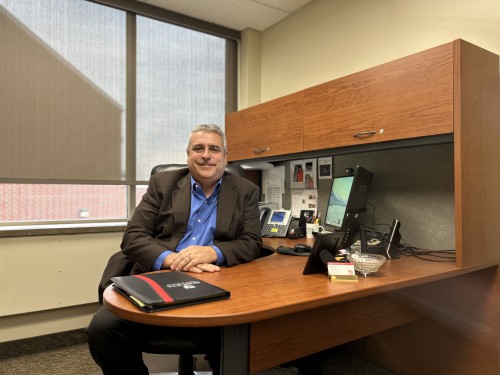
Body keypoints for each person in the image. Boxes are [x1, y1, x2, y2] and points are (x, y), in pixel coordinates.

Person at [87, 124, 263, 375]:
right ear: (188, 155)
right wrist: (171, 259)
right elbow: (133, 236)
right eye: (198, 148)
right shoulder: (163, 183)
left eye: (214, 149)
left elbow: (251, 241)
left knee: (241, 332)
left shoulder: (245, 191)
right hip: (161, 278)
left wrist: (212, 252)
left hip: (217, 280)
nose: (206, 155)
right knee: (103, 329)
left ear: (225, 156)